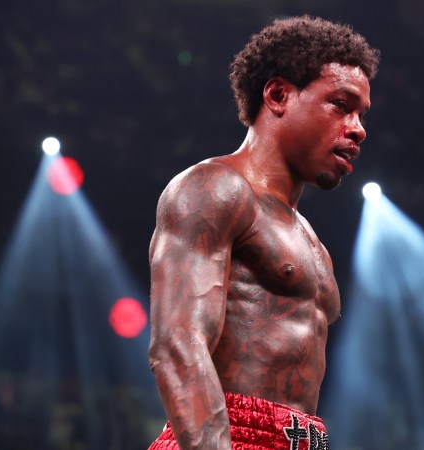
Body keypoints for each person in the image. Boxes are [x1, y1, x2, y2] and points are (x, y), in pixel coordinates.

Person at [147, 15, 380, 450]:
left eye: (361, 114)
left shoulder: (312, 242)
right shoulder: (214, 189)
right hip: (222, 435)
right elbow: (178, 344)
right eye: (341, 104)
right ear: (277, 95)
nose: (358, 128)